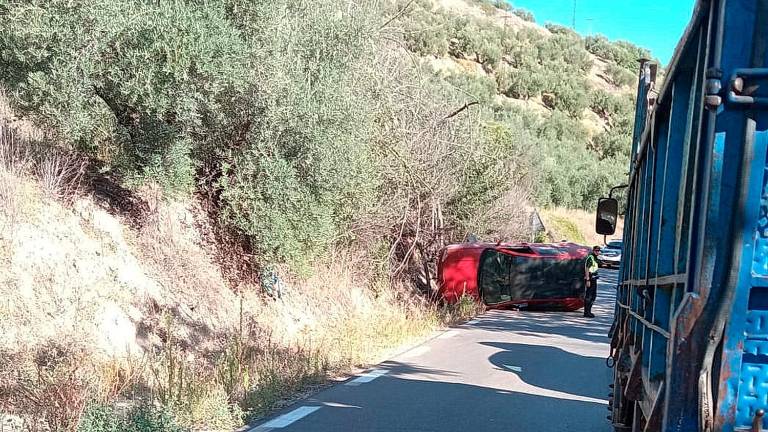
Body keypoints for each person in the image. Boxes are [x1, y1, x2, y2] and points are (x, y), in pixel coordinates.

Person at [583, 245, 601, 318]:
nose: (597, 252)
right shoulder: (590, 258)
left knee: (593, 296)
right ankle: (586, 312)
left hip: (594, 279)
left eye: (598, 251)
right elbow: (587, 269)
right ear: (593, 251)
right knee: (589, 296)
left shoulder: (595, 258)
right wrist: (587, 280)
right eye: (596, 251)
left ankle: (589, 311)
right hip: (590, 278)